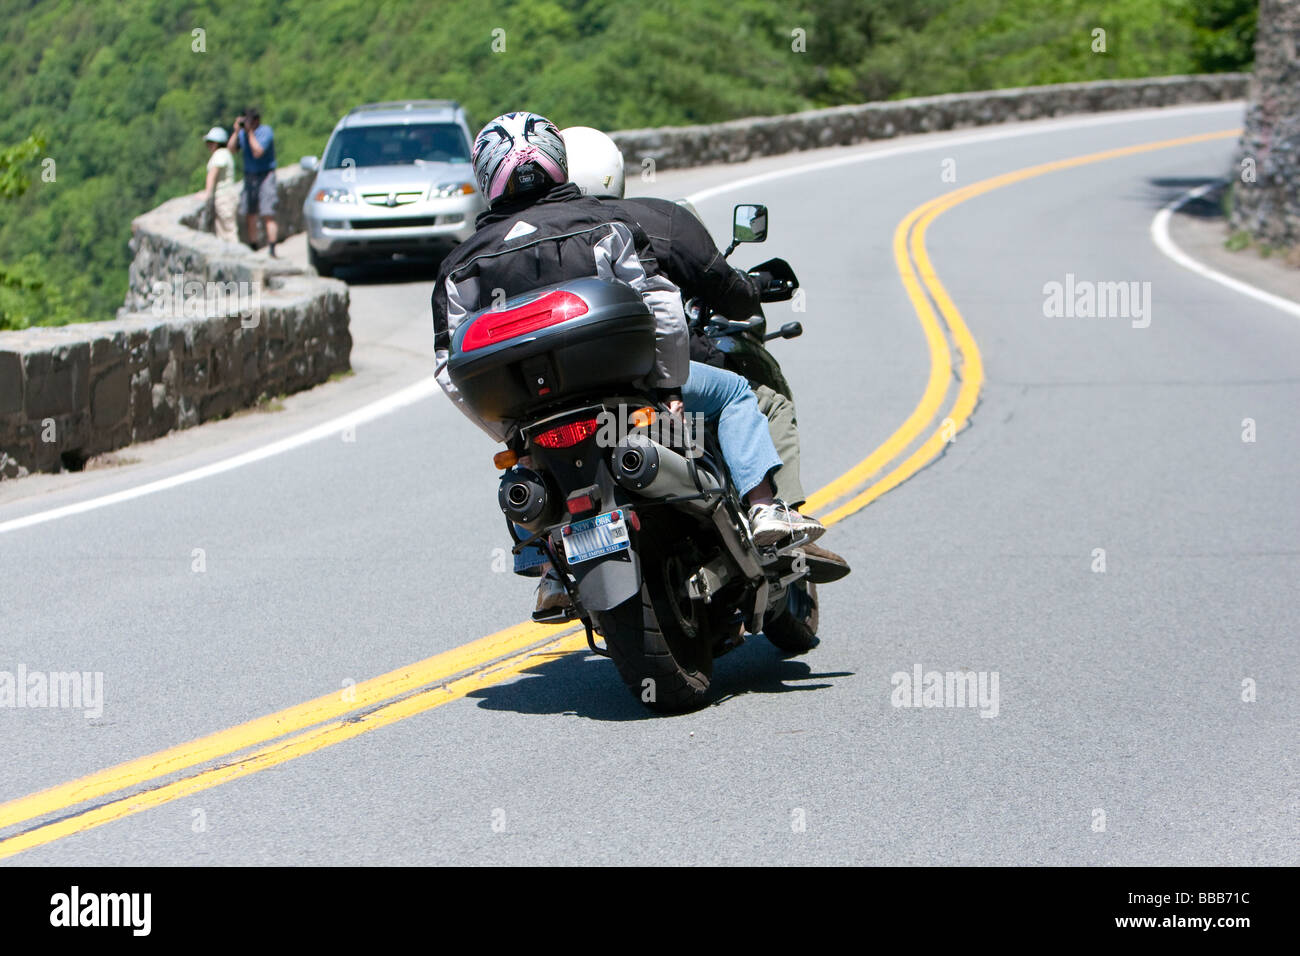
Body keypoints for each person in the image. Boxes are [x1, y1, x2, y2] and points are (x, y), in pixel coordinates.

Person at [431, 112, 823, 614]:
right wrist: (669, 390)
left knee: (525, 475)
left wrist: (509, 431)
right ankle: (765, 507)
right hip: (626, 393)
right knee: (733, 394)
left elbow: (450, 366)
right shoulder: (603, 224)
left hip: (534, 415)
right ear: (556, 162)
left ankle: (552, 569)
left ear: (485, 175)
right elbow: (659, 304)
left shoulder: (459, 266)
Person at [561, 125, 850, 583]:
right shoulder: (657, 219)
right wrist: (751, 289)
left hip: (564, 392)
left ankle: (552, 573)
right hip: (648, 380)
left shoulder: (535, 239)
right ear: (614, 172)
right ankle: (770, 511)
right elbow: (720, 286)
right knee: (749, 396)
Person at [227, 107, 279, 257]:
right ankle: (253, 246)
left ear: (256, 120)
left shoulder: (265, 132)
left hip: (265, 176)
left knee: (268, 212)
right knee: (250, 213)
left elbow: (258, 152)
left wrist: (249, 133)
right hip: (250, 176)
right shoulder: (242, 134)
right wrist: (237, 132)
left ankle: (272, 249)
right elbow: (231, 149)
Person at [202, 126, 238, 243]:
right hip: (228, 195)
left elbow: (213, 174)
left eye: (210, 142)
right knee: (223, 231)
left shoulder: (219, 154)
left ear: (217, 143)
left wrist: (207, 193)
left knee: (228, 231)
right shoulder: (226, 153)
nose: (208, 145)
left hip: (224, 197)